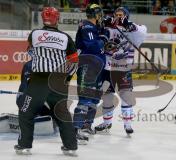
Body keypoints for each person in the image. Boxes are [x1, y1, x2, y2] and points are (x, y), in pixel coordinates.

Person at [14, 7, 78, 156]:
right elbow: (74, 62)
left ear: (43, 19)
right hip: (59, 81)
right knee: (62, 114)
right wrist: (67, 78)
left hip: (39, 80)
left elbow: (30, 50)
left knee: (26, 111)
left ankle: (24, 145)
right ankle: (71, 147)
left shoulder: (35, 34)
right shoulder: (66, 38)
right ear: (57, 19)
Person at [94, 7, 147, 135]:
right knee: (107, 97)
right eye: (116, 14)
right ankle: (107, 123)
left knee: (125, 96)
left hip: (124, 68)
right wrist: (101, 23)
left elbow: (143, 31)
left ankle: (127, 125)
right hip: (108, 68)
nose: (118, 17)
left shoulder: (133, 30)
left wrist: (128, 25)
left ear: (127, 16)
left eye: (121, 15)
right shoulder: (108, 28)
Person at [73, 3, 106, 144]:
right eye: (100, 14)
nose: (101, 17)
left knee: (94, 98)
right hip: (88, 66)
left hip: (97, 67)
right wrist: (104, 39)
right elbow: (93, 46)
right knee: (86, 98)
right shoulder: (87, 26)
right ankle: (75, 130)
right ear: (96, 15)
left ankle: (86, 126)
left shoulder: (95, 27)